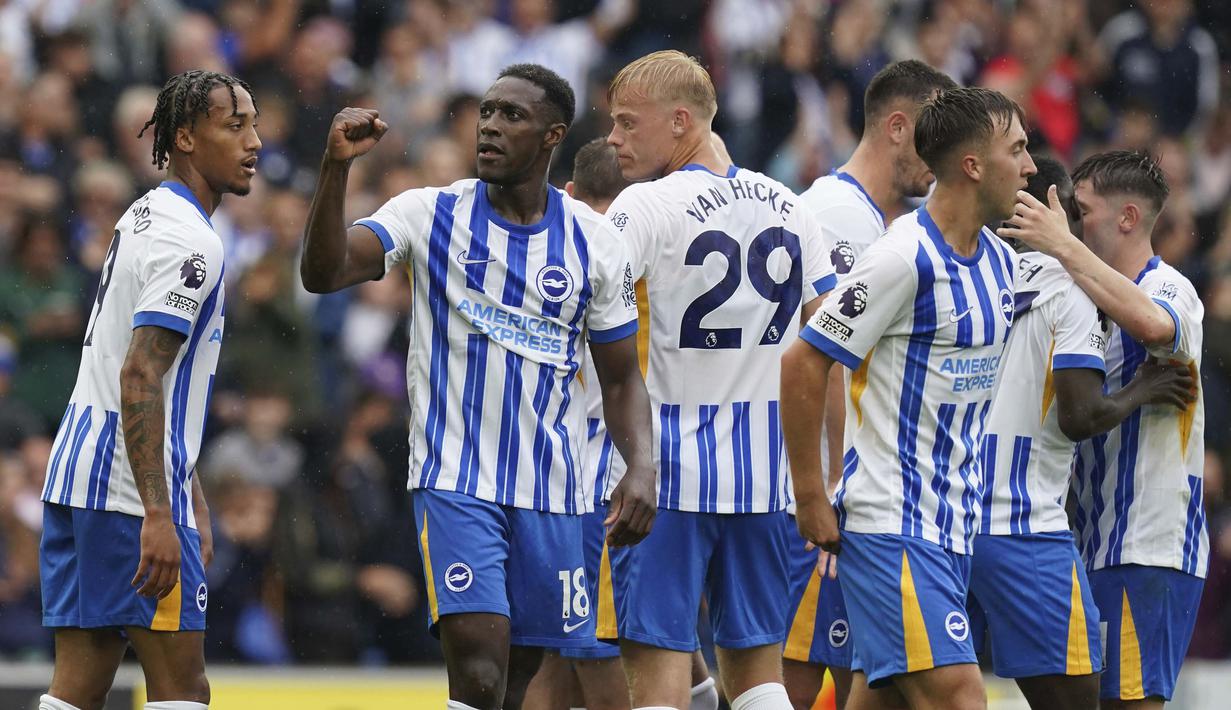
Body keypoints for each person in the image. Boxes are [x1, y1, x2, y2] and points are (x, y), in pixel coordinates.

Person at [299, 63, 658, 710]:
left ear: (552, 136)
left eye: (511, 116)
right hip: (457, 482)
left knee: (514, 683)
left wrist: (641, 467)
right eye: (487, 112)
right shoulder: (428, 212)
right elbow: (323, 274)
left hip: (557, 494)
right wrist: (335, 169)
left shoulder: (597, 244)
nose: (489, 126)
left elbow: (622, 378)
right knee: (480, 672)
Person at [781, 86, 1036, 710]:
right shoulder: (901, 256)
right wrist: (812, 497)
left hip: (954, 525)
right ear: (973, 165)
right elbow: (804, 360)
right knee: (959, 697)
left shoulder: (1002, 262)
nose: (1030, 165)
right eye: (1019, 148)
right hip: (891, 522)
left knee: (882, 699)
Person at [603, 50, 837, 710]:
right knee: (758, 674)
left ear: (680, 121)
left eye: (627, 123)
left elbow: (593, 314)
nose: (614, 139)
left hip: (662, 477)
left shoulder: (643, 206)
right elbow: (828, 339)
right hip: (763, 480)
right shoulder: (790, 207)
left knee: (656, 675)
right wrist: (820, 471)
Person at [37, 69, 261, 710]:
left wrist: (187, 486)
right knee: (183, 689)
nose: (254, 143)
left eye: (255, 126)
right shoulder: (190, 241)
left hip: (81, 474)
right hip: (128, 495)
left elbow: (137, 369)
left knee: (77, 685)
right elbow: (141, 373)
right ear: (185, 137)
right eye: (235, 126)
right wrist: (163, 513)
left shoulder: (147, 210)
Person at [967, 156, 1194, 710]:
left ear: (1127, 218)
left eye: (1081, 212)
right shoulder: (1069, 286)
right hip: (1075, 532)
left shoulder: (1169, 287)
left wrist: (1062, 246)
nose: (1068, 220)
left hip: (1143, 541)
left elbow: (1160, 330)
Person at [524, 137, 722, 710]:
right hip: (631, 478)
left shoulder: (561, 247)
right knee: (613, 661)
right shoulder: (668, 249)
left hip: (578, 481)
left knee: (568, 658)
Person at [789, 59, 956, 710]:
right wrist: (827, 489)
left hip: (862, 503)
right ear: (896, 126)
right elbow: (823, 361)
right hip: (822, 502)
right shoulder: (834, 214)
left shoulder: (892, 224)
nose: (942, 155)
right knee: (788, 684)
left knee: (874, 686)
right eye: (933, 133)